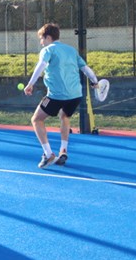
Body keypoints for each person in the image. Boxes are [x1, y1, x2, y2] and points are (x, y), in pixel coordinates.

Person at [23, 23, 100, 168]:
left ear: (48, 37)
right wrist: (95, 81)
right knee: (65, 117)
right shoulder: (71, 50)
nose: (41, 42)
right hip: (75, 95)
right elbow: (86, 69)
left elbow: (41, 66)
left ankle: (48, 154)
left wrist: (30, 83)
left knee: (36, 119)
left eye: (41, 38)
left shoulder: (48, 50)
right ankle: (63, 150)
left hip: (56, 96)